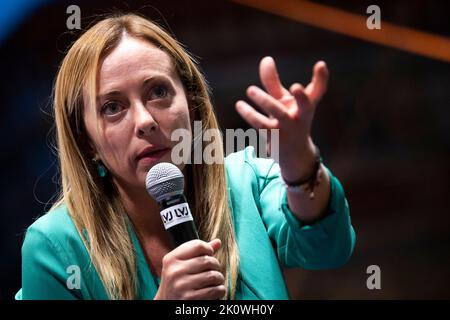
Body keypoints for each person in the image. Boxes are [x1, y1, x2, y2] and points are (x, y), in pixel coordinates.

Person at [15, 13, 355, 300]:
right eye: (112, 107)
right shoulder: (54, 249)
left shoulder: (247, 180)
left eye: (158, 92)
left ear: (191, 105)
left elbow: (326, 249)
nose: (145, 121)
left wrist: (299, 161)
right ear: (86, 141)